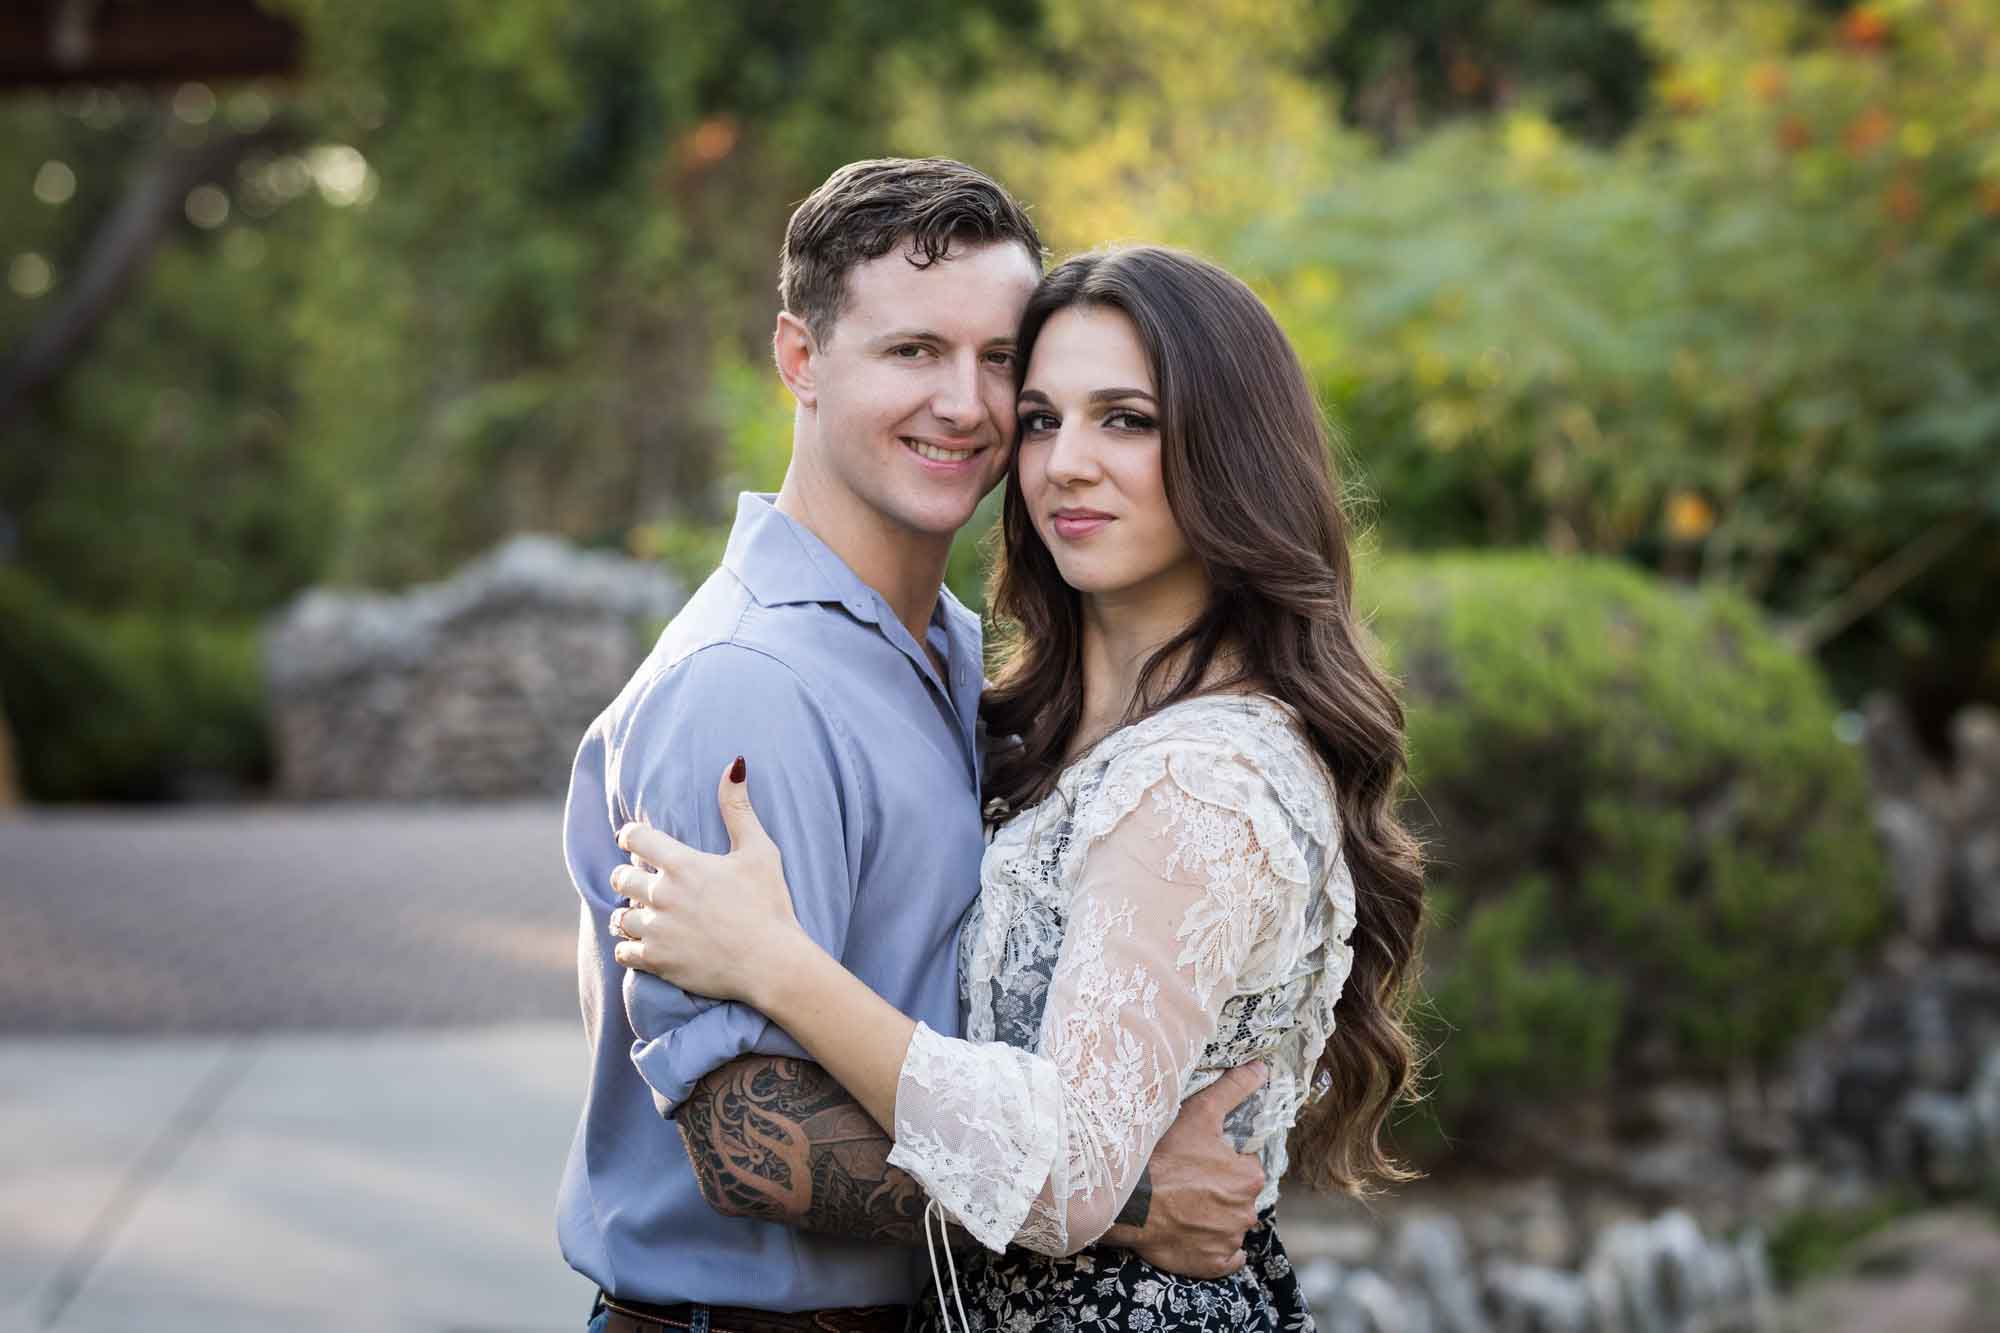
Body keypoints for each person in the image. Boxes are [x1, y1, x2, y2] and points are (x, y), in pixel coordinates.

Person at [608, 245, 1428, 1331]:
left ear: (1229, 451)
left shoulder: (1198, 778)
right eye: (1040, 418)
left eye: (1125, 419)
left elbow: (1073, 1170)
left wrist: (774, 963)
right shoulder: (1028, 717)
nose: (1063, 465)